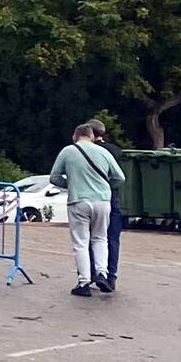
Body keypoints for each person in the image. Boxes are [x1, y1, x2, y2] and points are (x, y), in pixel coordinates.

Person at [49, 123, 125, 297]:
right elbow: (120, 177)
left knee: (81, 242)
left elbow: (54, 177)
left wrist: (71, 185)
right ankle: (102, 274)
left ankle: (84, 282)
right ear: (91, 136)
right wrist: (106, 187)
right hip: (103, 201)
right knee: (101, 238)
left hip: (79, 200)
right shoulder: (104, 152)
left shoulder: (68, 151)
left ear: (75, 136)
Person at [84, 119, 126, 289]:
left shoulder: (87, 150)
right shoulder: (116, 151)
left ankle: (93, 273)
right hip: (113, 197)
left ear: (91, 133)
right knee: (112, 238)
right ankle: (111, 275)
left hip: (92, 197)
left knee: (91, 237)